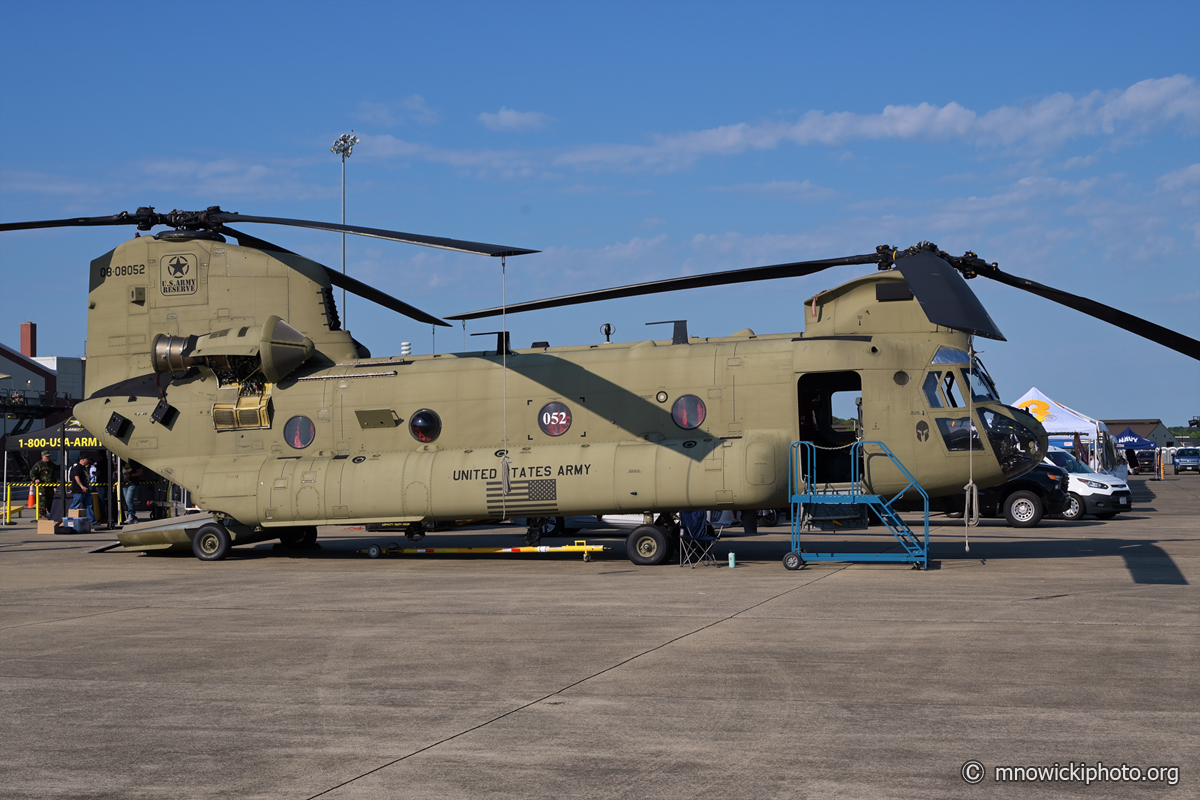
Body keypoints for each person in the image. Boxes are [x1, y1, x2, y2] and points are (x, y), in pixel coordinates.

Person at [29, 452, 58, 519]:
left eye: (49, 456)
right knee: (42, 501)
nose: (48, 458)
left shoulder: (50, 464)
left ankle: (52, 514)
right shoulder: (39, 464)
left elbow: (56, 468)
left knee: (50, 500)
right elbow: (32, 473)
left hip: (50, 486)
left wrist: (64, 463)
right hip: (42, 487)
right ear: (42, 457)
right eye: (46, 456)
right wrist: (36, 479)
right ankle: (43, 515)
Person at [68, 454, 96, 525]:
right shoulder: (78, 467)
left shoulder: (83, 468)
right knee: (75, 504)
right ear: (82, 459)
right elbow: (76, 477)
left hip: (86, 490)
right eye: (87, 459)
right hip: (79, 490)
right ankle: (68, 519)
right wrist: (81, 486)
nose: (88, 461)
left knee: (88, 505)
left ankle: (92, 521)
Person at [121, 459, 143, 525]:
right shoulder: (122, 462)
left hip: (133, 483)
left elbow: (140, 472)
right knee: (127, 501)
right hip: (125, 484)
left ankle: (130, 515)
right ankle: (133, 517)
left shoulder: (134, 462)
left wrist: (130, 475)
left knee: (129, 500)